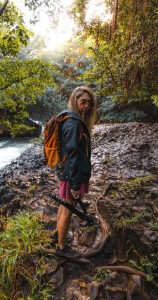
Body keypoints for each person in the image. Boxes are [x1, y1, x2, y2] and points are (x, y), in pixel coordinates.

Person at [56, 86, 96, 254]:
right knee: (68, 210)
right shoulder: (74, 123)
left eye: (89, 103)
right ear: (75, 101)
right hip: (71, 173)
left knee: (63, 205)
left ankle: (57, 234)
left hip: (65, 170)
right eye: (83, 102)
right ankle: (61, 248)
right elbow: (72, 154)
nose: (86, 106)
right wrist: (74, 184)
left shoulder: (70, 117)